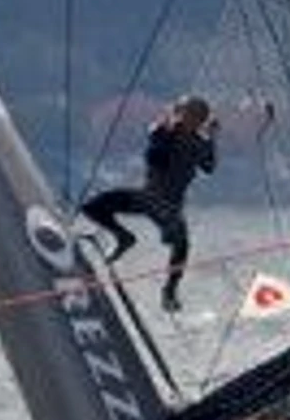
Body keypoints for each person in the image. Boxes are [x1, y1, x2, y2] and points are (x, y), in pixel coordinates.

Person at [82, 94, 218, 313]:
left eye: (190, 115)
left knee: (181, 245)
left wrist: (211, 139)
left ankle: (169, 292)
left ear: (198, 120)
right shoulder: (166, 133)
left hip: (169, 205)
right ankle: (124, 237)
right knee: (92, 207)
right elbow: (155, 159)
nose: (182, 117)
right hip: (147, 198)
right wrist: (159, 135)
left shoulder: (197, 143)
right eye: (180, 112)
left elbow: (208, 167)